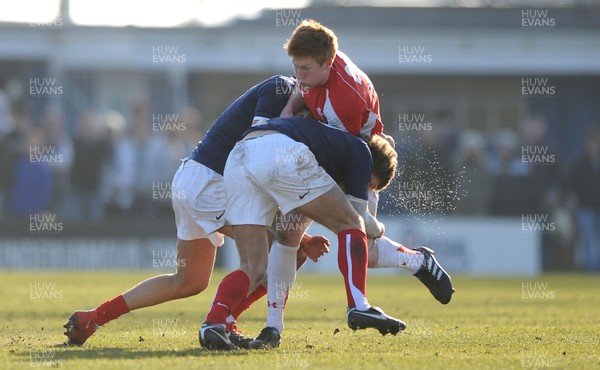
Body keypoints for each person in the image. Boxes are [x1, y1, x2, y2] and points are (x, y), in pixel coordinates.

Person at [63, 75, 328, 346]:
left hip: (197, 178)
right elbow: (259, 156)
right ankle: (217, 323)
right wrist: (299, 236)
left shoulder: (296, 101)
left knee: (189, 281)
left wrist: (300, 237)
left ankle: (92, 318)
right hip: (212, 181)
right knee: (262, 263)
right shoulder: (282, 88)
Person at [199, 116, 454, 350]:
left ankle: (223, 323)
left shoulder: (328, 132)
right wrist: (377, 227)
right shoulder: (358, 153)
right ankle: (362, 303)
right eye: (370, 186)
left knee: (261, 260)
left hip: (242, 153)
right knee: (354, 230)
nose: (368, 191)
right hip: (287, 157)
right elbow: (361, 223)